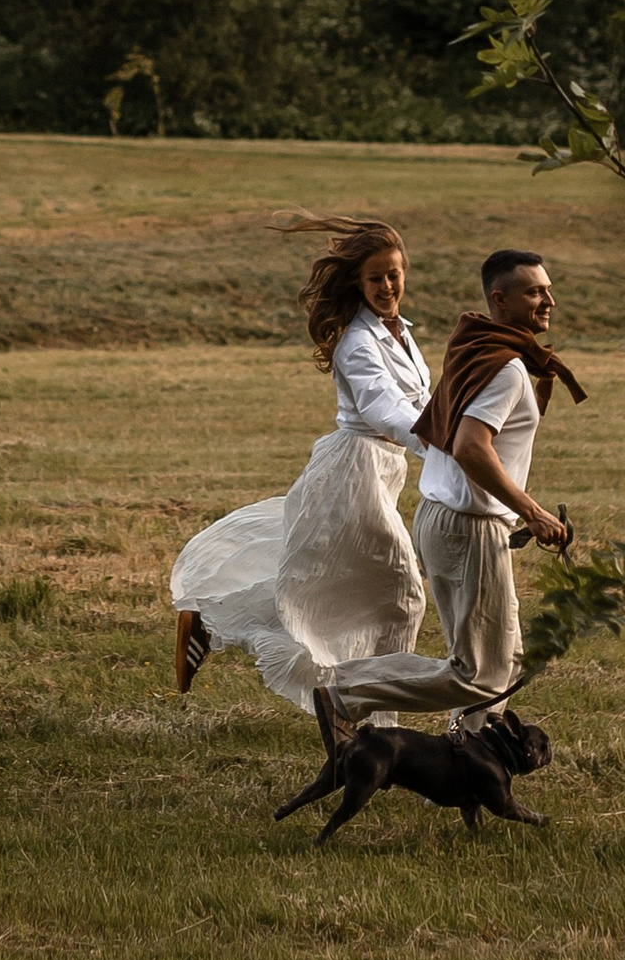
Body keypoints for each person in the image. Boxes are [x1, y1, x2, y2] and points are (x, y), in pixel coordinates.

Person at [315, 248, 580, 740]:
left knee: (503, 659)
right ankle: (345, 692)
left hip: (449, 518)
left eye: (547, 289)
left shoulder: (478, 347)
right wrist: (533, 511)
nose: (549, 300)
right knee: (476, 673)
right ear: (501, 300)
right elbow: (471, 448)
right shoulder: (504, 367)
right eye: (536, 292)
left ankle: (472, 757)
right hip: (467, 526)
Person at [169, 221, 431, 715]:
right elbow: (383, 410)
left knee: (326, 583)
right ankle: (377, 724)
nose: (387, 287)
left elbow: (421, 400)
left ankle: (208, 621)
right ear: (358, 282)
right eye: (376, 278)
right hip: (354, 473)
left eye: (394, 275)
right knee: (401, 593)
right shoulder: (357, 342)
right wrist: (440, 445)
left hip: (382, 472)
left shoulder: (403, 334)